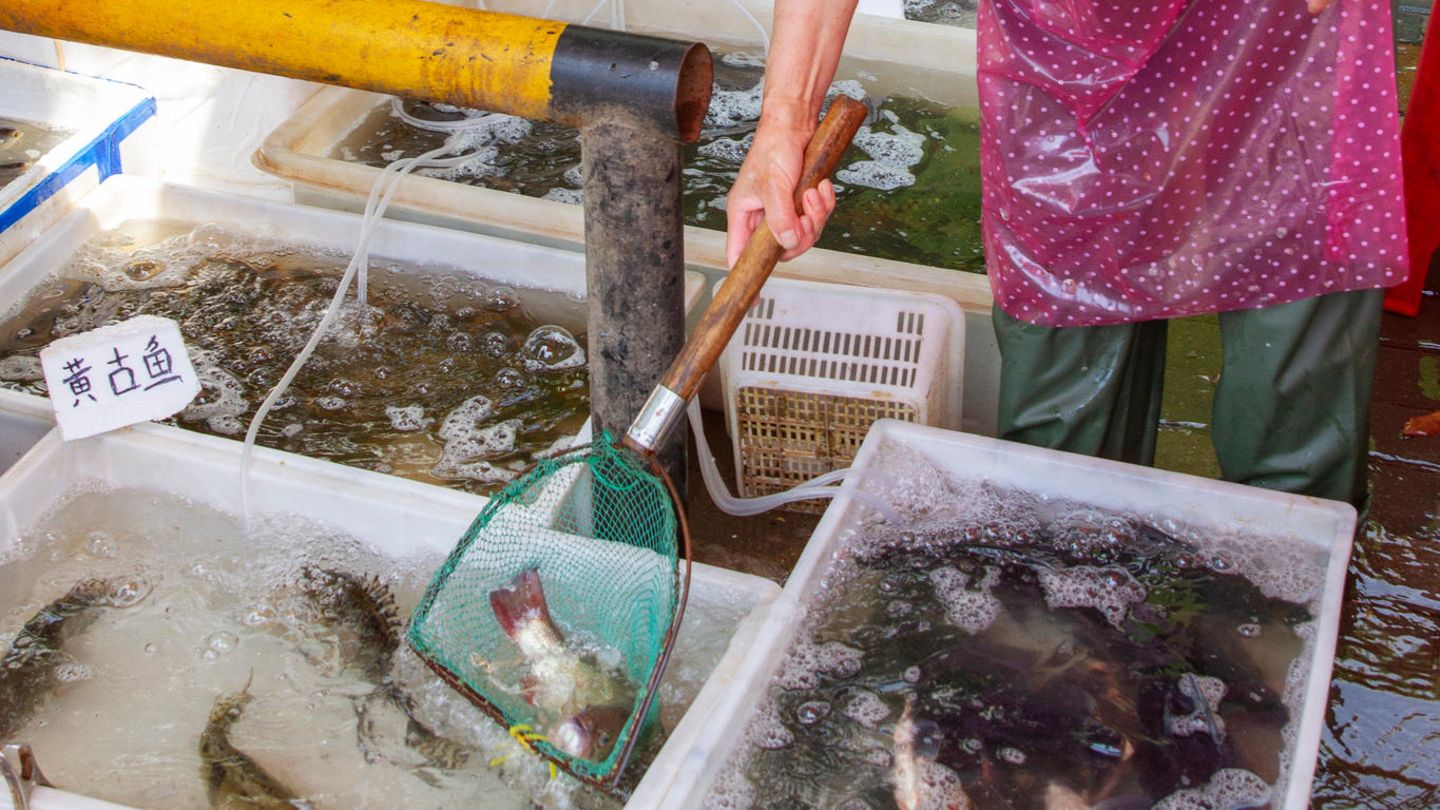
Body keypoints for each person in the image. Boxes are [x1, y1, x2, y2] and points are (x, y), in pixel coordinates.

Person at [726, 0, 1408, 511]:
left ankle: (1284, 654)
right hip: (1063, 60)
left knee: (1294, 456)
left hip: (1280, 54)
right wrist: (783, 124)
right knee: (1057, 478)